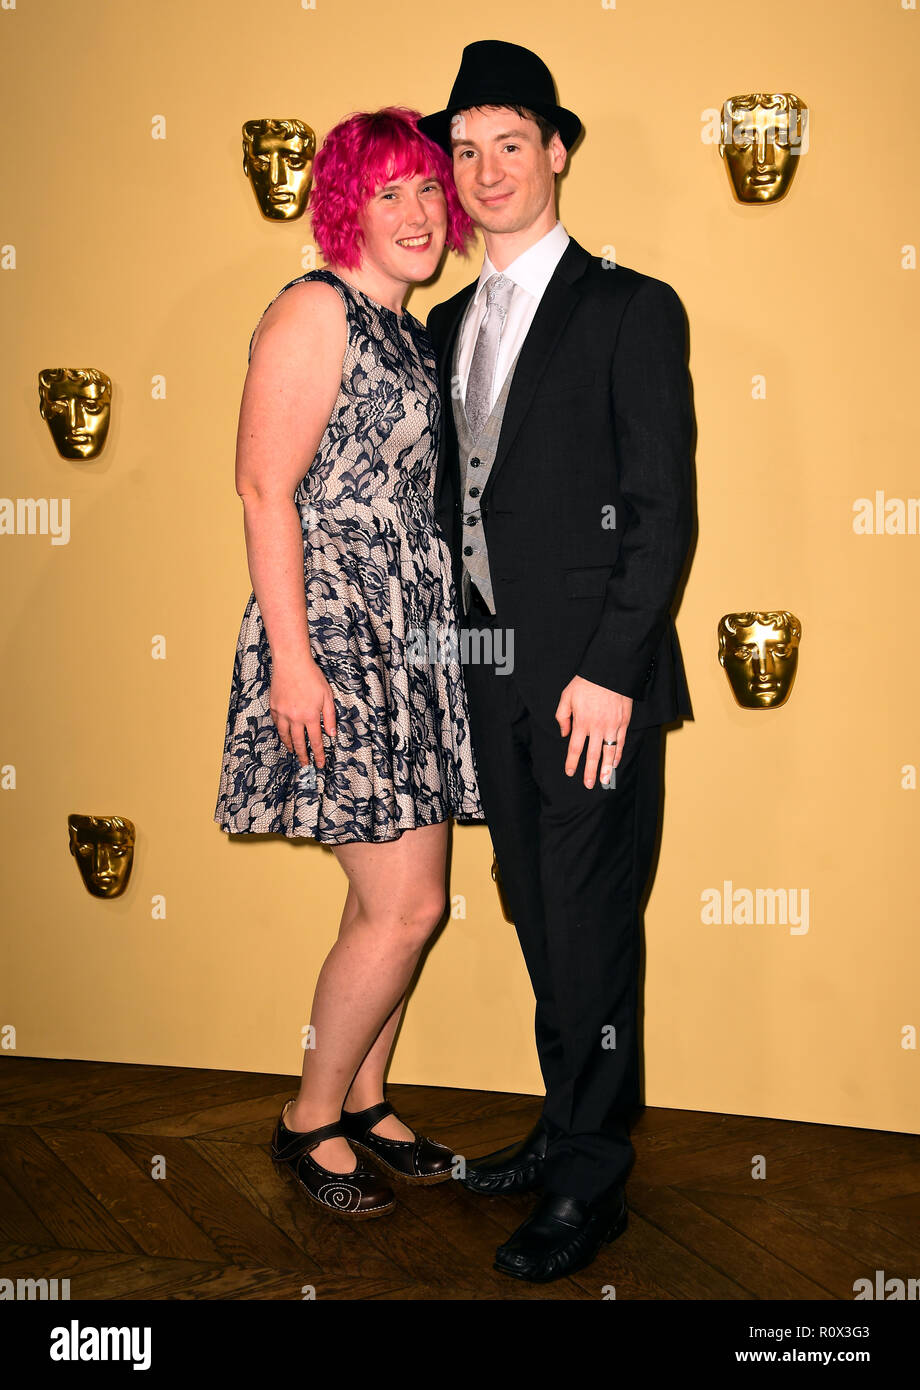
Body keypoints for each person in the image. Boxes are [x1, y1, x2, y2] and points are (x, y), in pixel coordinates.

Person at [418, 41, 695, 1279]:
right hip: (486, 677)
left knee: (587, 929)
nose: (482, 171)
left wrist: (610, 669)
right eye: (463, 149)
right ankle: (564, 1122)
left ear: (555, 151)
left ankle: (591, 1183)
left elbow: (658, 511)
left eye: (507, 144)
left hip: (593, 684)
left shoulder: (630, 306)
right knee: (538, 917)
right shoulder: (439, 325)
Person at [213, 107, 481, 1218]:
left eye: (429, 190)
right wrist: (294, 660)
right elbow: (262, 488)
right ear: (345, 209)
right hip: (335, 632)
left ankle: (366, 1098)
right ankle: (307, 1116)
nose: (417, 213)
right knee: (403, 908)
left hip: (408, 632)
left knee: (402, 901)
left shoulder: (407, 329)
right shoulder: (312, 308)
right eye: (389, 193)